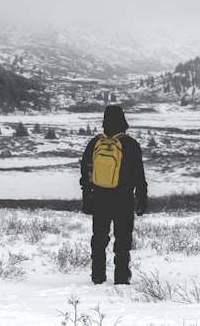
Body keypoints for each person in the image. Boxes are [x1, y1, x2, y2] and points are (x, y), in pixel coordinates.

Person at [79, 104, 148, 285]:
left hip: (100, 198)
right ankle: (121, 278)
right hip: (123, 199)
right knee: (123, 239)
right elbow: (139, 176)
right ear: (123, 121)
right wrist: (142, 199)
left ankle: (98, 276)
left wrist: (87, 199)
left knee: (99, 238)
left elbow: (85, 175)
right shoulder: (130, 144)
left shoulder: (95, 143)